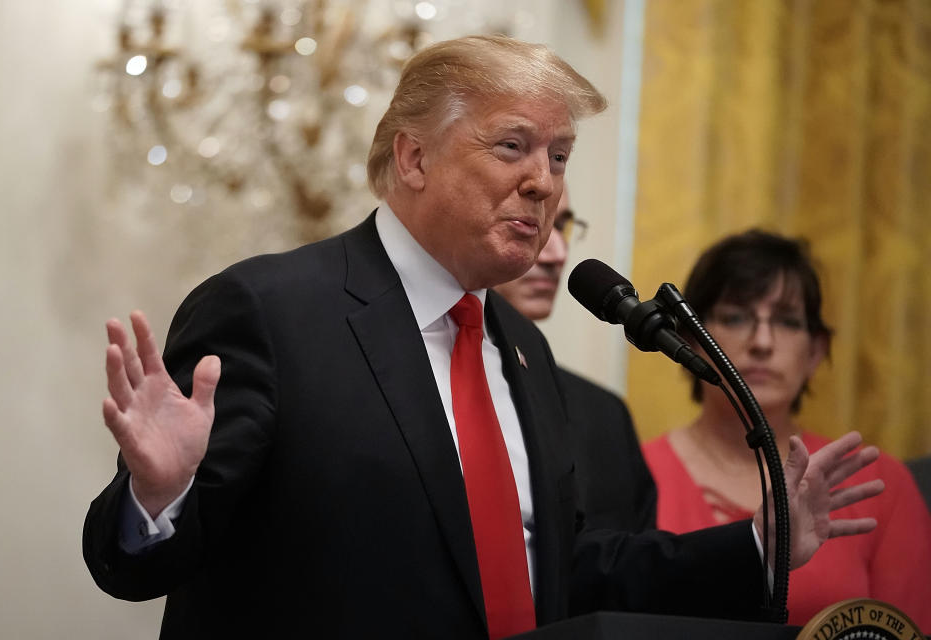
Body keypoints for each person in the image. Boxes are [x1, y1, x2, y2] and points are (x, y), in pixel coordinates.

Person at [84, 36, 883, 639]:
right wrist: (158, 498)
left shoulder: (520, 346)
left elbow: (564, 568)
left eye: (560, 155)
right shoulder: (268, 311)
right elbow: (139, 566)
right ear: (414, 156)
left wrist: (754, 545)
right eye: (512, 146)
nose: (544, 181)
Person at [641, 229, 931, 629]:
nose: (762, 342)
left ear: (815, 352)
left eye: (787, 321)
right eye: (736, 317)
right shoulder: (634, 471)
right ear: (690, 342)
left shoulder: (879, 483)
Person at [493, 188, 656, 533]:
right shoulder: (423, 383)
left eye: (561, 227)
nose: (557, 254)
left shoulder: (604, 416)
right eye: (528, 223)